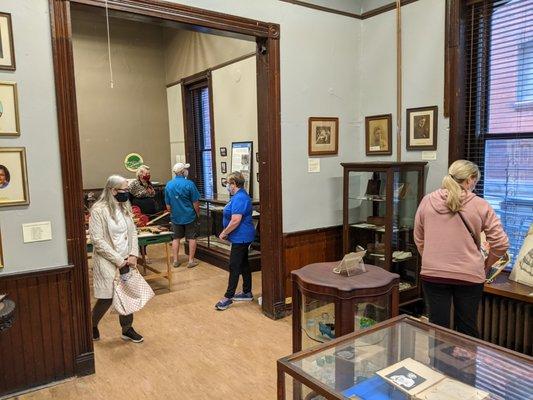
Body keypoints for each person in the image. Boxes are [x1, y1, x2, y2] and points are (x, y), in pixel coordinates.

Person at [414, 160, 509, 338]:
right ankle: (465, 365)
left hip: (433, 273)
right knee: (466, 329)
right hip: (470, 275)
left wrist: (431, 258)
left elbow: (419, 237)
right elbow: (501, 244)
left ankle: (436, 365)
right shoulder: (480, 205)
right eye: (476, 181)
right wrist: (486, 264)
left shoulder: (427, 201)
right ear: (470, 180)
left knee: (437, 329)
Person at [89, 175, 144, 343]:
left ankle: (127, 329)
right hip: (108, 259)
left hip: (127, 258)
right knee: (107, 297)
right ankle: (91, 325)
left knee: (126, 293)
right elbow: (97, 240)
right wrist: (119, 260)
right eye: (123, 190)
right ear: (112, 190)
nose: (126, 193)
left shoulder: (124, 206)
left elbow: (132, 232)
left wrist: (134, 254)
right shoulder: (99, 210)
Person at [215, 172, 256, 311]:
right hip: (240, 236)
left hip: (241, 237)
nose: (227, 186)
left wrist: (224, 232)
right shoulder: (238, 196)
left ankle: (228, 297)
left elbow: (236, 220)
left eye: (228, 183)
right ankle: (247, 292)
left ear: (234, 184)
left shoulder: (240, 198)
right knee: (243, 264)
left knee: (234, 265)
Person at [165, 162, 200, 268]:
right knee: (192, 238)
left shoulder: (169, 185)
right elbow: (195, 203)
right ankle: (190, 261)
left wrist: (173, 213)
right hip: (189, 216)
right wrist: (197, 214)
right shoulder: (189, 184)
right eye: (185, 169)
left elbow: (168, 206)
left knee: (176, 238)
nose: (186, 171)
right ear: (182, 172)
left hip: (175, 217)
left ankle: (175, 260)